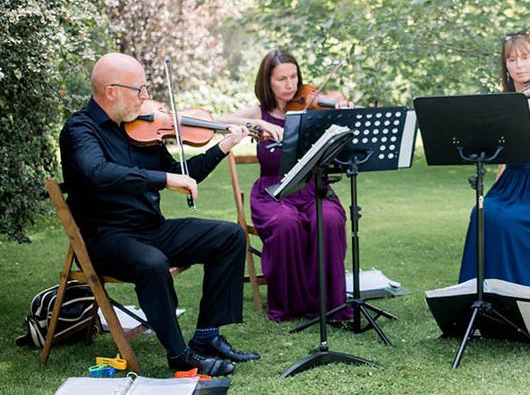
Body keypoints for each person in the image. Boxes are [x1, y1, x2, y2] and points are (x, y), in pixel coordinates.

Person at [60, 52, 261, 376]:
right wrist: (163, 180)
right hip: (108, 238)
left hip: (151, 229)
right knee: (152, 262)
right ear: (111, 91)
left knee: (229, 236)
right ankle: (180, 356)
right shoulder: (80, 130)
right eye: (138, 89)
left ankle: (206, 337)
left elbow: (179, 171)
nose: (145, 96)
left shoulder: (143, 130)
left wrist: (221, 148)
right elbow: (98, 173)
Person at [222, 50, 352, 322]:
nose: (290, 84)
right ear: (266, 82)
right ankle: (291, 305)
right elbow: (217, 121)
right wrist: (255, 123)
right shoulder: (259, 112)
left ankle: (329, 304)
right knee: (285, 224)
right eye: (281, 79)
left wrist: (342, 113)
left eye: (293, 76)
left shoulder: (313, 108)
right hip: (273, 192)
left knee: (328, 219)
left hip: (313, 187)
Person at [458, 31, 530, 300]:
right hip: (510, 184)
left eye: (524, 57)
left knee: (507, 221)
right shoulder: (503, 101)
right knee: (482, 212)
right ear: (505, 66)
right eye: (512, 59)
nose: (519, 65)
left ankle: (517, 298)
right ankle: (477, 297)